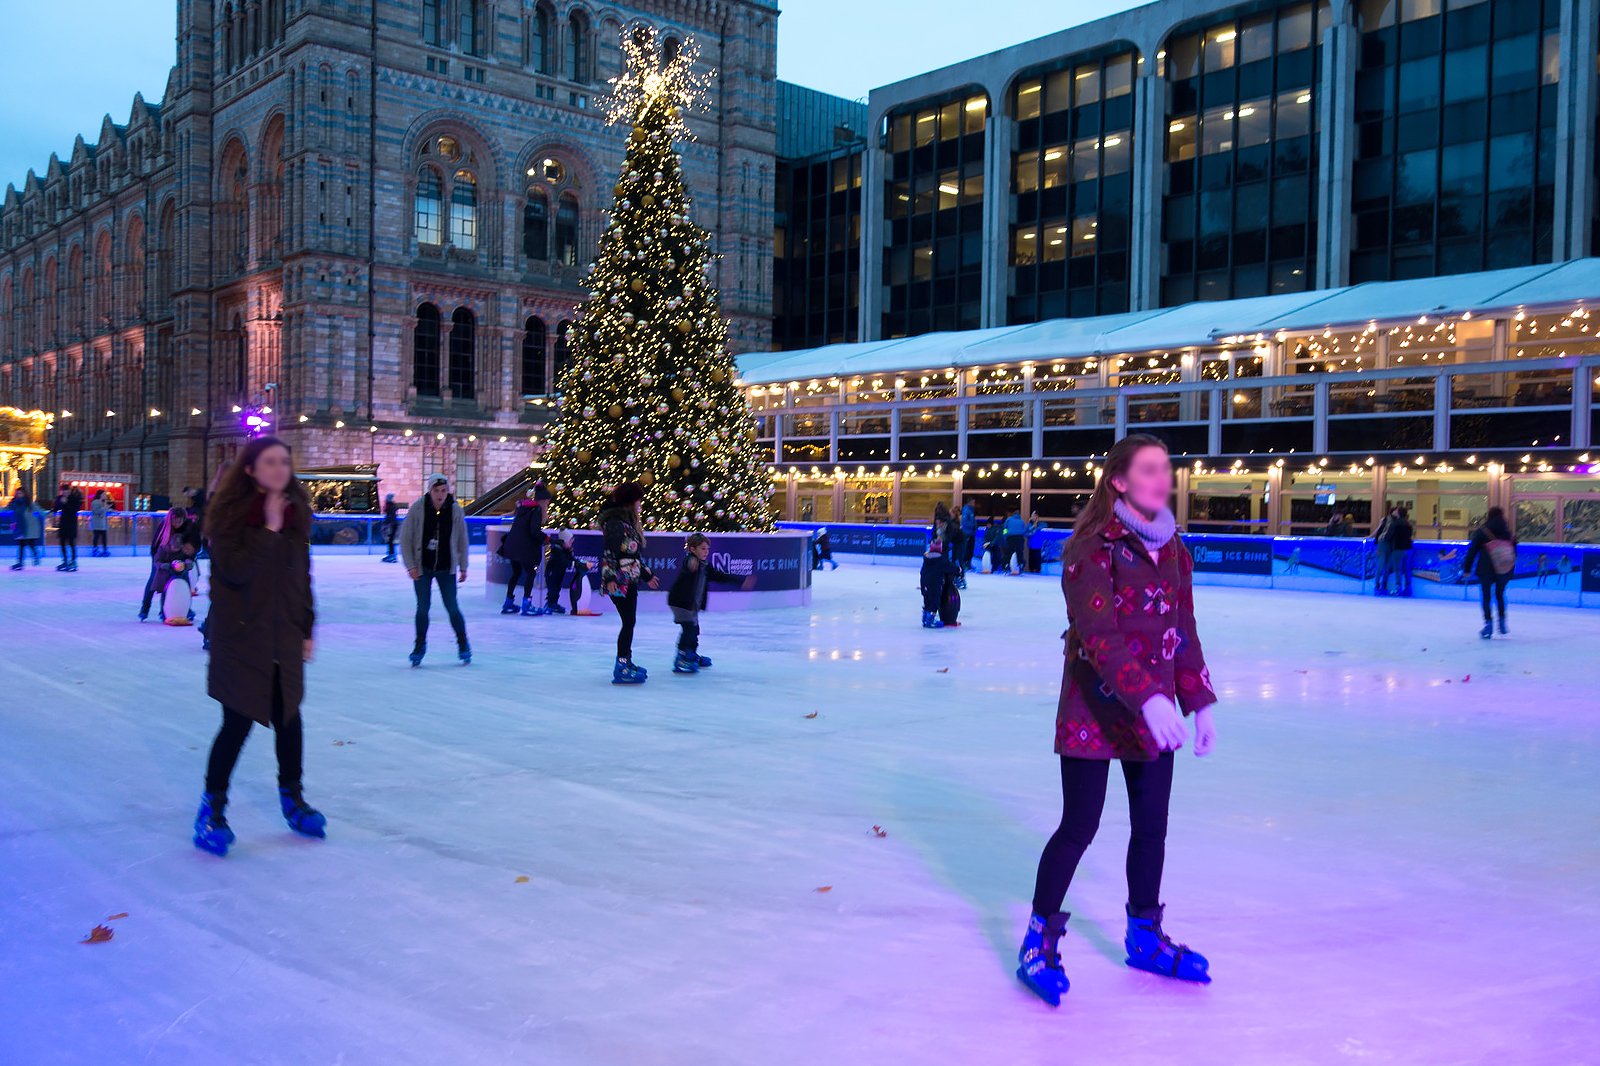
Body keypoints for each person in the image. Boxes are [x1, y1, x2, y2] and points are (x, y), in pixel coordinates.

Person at [1017, 433, 1218, 1007]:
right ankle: (1038, 939)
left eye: (1167, 469)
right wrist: (1152, 700)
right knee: (1079, 825)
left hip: (1153, 715)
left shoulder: (1176, 550)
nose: (1164, 478)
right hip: (1094, 710)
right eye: (1150, 469)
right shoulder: (1091, 549)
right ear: (1120, 482)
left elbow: (1183, 632)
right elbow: (1099, 637)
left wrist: (1197, 700)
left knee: (1151, 826)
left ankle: (1145, 936)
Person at [193, 436, 323, 858]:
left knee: (289, 718)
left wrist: (306, 627)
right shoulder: (231, 520)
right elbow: (235, 574)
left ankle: (293, 798)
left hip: (282, 635)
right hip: (242, 638)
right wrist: (267, 528)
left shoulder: (295, 517)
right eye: (270, 462)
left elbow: (300, 579)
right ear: (250, 469)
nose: (280, 468)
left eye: (285, 461)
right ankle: (211, 809)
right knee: (238, 722)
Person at [400, 473, 471, 666]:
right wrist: (411, 565)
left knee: (452, 607)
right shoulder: (418, 508)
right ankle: (419, 645)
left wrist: (463, 566)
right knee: (422, 608)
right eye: (436, 491)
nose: (440, 495)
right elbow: (405, 538)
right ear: (429, 491)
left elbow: (462, 540)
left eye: (444, 491)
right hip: (423, 567)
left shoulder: (455, 510)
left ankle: (463, 643)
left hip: (446, 568)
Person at [599, 482, 660, 684]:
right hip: (619, 582)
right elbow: (610, 553)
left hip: (629, 580)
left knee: (629, 622)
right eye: (637, 501)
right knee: (628, 622)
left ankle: (626, 661)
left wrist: (647, 576)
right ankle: (622, 665)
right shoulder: (616, 523)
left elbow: (633, 556)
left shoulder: (627, 524)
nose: (640, 505)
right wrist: (610, 579)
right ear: (630, 502)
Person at [667, 533, 751, 673]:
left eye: (707, 549)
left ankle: (691, 654)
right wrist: (691, 560)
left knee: (694, 630)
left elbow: (720, 576)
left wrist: (740, 581)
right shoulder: (690, 560)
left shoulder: (705, 566)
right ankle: (680, 658)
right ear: (693, 549)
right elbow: (688, 563)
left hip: (691, 604)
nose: (706, 552)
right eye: (703, 549)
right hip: (680, 602)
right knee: (688, 629)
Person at [1460, 506, 1516, 639]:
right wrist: (1510, 571)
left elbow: (1472, 551)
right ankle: (1502, 623)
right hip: (1503, 570)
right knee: (1500, 595)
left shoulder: (1483, 531)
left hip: (1485, 569)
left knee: (1486, 597)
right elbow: (1513, 553)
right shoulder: (1508, 533)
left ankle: (1488, 625)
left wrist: (1467, 568)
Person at [497, 497, 546, 616]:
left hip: (512, 544)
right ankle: (526, 604)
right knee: (531, 573)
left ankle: (508, 603)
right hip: (522, 547)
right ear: (544, 500)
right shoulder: (536, 510)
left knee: (516, 573)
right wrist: (546, 538)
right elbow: (534, 531)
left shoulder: (523, 508)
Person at [152, 507, 200, 622]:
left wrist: (189, 561)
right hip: (166, 564)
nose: (177, 524)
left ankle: (187, 609)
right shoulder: (164, 529)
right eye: (174, 521)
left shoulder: (189, 528)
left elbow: (194, 546)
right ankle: (159, 610)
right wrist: (161, 565)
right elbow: (156, 550)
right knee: (163, 588)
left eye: (179, 521)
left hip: (180, 566)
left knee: (186, 586)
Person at [919, 535, 959, 629]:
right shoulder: (941, 560)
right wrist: (958, 570)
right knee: (935, 601)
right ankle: (930, 620)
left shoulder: (926, 559)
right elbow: (951, 568)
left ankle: (925, 618)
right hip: (934, 584)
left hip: (924, 582)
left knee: (927, 599)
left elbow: (922, 572)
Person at [543, 529, 586, 614]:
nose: (571, 544)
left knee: (557, 588)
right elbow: (563, 561)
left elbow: (570, 559)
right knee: (552, 589)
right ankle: (549, 604)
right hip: (551, 573)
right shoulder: (557, 549)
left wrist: (578, 562)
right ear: (563, 542)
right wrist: (574, 564)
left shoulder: (566, 550)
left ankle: (554, 604)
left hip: (559, 573)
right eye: (569, 542)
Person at [52, 482, 84, 572]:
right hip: (63, 523)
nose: (65, 493)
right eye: (63, 491)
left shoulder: (75, 498)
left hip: (72, 523)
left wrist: (66, 503)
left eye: (67, 491)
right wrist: (58, 502)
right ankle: (65, 560)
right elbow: (55, 508)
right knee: (62, 542)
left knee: (71, 542)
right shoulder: (60, 498)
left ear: (69, 490)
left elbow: (75, 509)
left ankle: (73, 561)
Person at [9, 488, 44, 570]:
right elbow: (7, 509)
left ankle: (35, 556)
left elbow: (39, 510)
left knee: (30, 543)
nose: (18, 495)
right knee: (21, 544)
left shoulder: (29, 503)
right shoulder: (14, 503)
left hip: (30, 527)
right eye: (17, 493)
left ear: (24, 494)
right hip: (20, 527)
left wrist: (46, 514)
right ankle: (20, 562)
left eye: (20, 493)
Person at [1389, 507, 1415, 597]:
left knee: (1398, 570)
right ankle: (1408, 588)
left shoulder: (1395, 523)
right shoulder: (1408, 523)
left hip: (1398, 549)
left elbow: (1391, 535)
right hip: (1408, 548)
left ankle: (1398, 588)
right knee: (1407, 569)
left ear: (1399, 513)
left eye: (1396, 511)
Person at [1372, 506, 1397, 595]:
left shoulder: (1397, 521)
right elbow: (1379, 530)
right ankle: (1377, 583)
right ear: (1392, 512)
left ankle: (1384, 583)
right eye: (1395, 511)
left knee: (1388, 565)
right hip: (1382, 543)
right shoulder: (1385, 520)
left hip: (1391, 545)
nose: (1397, 513)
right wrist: (1372, 537)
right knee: (1381, 563)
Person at [89, 490, 112, 557]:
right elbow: (96, 511)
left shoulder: (103, 502)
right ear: (100, 495)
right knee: (96, 536)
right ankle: (95, 550)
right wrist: (105, 508)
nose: (105, 496)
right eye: (104, 494)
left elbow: (104, 510)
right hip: (97, 523)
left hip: (102, 523)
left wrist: (110, 510)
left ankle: (104, 550)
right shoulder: (95, 502)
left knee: (104, 537)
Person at [380, 493, 401, 562]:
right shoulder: (392, 505)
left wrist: (386, 524)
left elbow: (389, 515)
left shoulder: (389, 505)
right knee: (390, 540)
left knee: (390, 540)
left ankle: (392, 555)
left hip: (391, 524)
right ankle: (391, 554)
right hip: (393, 524)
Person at [960, 502, 977, 574]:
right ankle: (965, 564)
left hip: (971, 533)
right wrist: (973, 525)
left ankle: (968, 563)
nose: (974, 504)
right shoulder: (966, 511)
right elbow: (964, 522)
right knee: (966, 549)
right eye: (973, 502)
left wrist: (975, 525)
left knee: (970, 549)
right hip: (967, 533)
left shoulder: (971, 511)